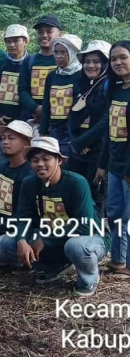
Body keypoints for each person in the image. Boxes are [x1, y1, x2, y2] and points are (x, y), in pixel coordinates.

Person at [0, 136, 106, 297]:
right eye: (35, 160)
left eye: (46, 159)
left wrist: (45, 240)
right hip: (49, 234)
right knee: (0, 246)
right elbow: (23, 215)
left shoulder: (76, 183)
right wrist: (21, 239)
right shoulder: (29, 183)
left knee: (77, 247)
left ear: (59, 160)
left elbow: (85, 226)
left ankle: (89, 279)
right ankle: (52, 266)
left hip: (87, 236)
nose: (40, 164)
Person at [95, 41, 130, 278]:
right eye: (114, 58)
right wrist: (102, 164)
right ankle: (118, 260)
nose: (118, 62)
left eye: (123, 57)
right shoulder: (115, 90)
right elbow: (110, 132)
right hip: (116, 165)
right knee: (116, 213)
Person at [68, 40, 110, 202]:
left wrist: (82, 142)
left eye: (96, 61)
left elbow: (105, 121)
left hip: (98, 151)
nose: (91, 66)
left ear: (106, 63)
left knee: (94, 197)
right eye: (87, 61)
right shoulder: (81, 82)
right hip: (77, 150)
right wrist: (75, 141)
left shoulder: (110, 86)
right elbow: (71, 115)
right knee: (73, 192)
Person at [0, 24, 35, 164]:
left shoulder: (32, 64)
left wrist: (20, 121)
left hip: (24, 124)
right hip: (0, 124)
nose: (12, 45)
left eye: (16, 40)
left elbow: (31, 95)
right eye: (8, 41)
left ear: (26, 41)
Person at [39, 34, 83, 156]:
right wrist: (43, 130)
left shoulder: (80, 76)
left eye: (63, 52)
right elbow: (46, 104)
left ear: (73, 53)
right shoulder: (52, 76)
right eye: (56, 52)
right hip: (54, 130)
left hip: (71, 131)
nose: (58, 56)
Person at [21, 15, 63, 123]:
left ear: (60, 34)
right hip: (32, 118)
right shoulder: (29, 61)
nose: (44, 35)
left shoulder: (65, 61)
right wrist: (36, 108)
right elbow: (22, 90)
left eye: (49, 31)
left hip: (57, 119)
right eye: (40, 32)